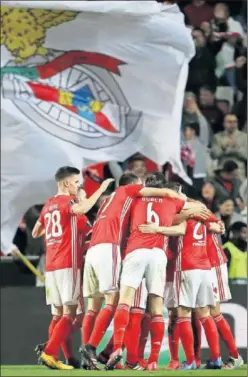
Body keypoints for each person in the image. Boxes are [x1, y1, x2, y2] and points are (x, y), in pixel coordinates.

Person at [80, 172, 184, 370]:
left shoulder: (110, 200)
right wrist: (171, 194)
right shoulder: (131, 193)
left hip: (97, 249)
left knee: (98, 306)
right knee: (126, 303)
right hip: (116, 249)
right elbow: (186, 212)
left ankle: (101, 354)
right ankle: (96, 349)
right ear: (136, 185)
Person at [106, 175, 207, 371]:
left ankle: (117, 348)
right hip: (158, 254)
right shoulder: (173, 200)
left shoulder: (134, 198)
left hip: (136, 250)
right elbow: (197, 210)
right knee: (156, 308)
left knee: (125, 301)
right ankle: (152, 361)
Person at [32, 166, 114, 370]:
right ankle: (49, 351)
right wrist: (100, 188)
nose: (78, 187)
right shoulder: (70, 205)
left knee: (59, 314)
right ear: (67, 183)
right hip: (68, 264)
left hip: (51, 266)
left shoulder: (48, 205)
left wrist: (57, 236)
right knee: (72, 314)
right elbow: (82, 209)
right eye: (77, 183)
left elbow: (36, 232)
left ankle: (66, 357)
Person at [206, 223, 244, 370]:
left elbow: (219, 225)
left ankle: (234, 356)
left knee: (213, 312)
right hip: (198, 264)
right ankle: (214, 358)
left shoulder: (200, 213)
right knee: (201, 312)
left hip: (212, 264)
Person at [211, 113, 247, 180]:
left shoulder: (244, 137)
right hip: (222, 172)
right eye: (230, 122)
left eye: (235, 122)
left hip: (238, 173)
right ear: (224, 123)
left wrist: (236, 147)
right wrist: (224, 147)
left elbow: (246, 156)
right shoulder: (217, 137)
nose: (232, 124)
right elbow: (214, 155)